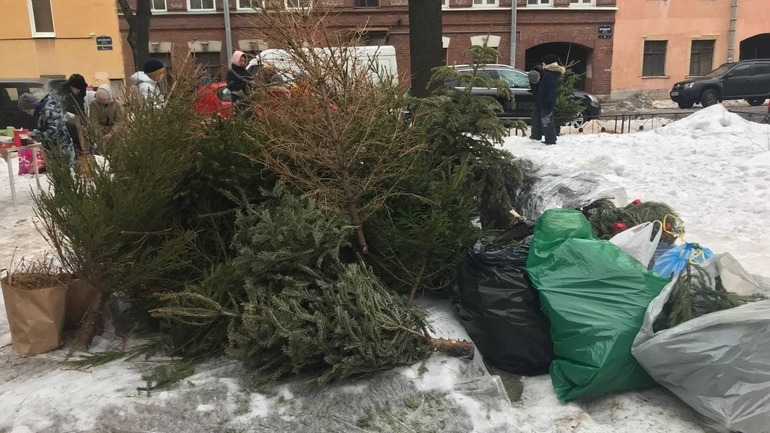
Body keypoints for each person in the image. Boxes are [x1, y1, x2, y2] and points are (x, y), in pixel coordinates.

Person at [17, 92, 76, 163]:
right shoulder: (41, 111)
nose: (27, 113)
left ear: (32, 106)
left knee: (63, 173)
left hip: (62, 151)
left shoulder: (49, 112)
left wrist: (33, 135)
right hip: (55, 150)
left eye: (27, 110)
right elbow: (45, 128)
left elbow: (54, 133)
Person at [534, 54, 565, 145]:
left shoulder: (550, 75)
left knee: (546, 120)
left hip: (546, 102)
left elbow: (551, 89)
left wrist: (548, 102)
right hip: (547, 101)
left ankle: (550, 139)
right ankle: (550, 138)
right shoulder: (552, 74)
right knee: (547, 119)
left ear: (548, 63)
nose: (542, 64)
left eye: (543, 63)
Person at [54, 73, 88, 154]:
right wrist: (72, 118)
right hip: (67, 128)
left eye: (80, 89)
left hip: (79, 127)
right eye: (77, 89)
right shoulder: (62, 94)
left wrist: (84, 123)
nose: (79, 91)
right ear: (71, 86)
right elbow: (60, 111)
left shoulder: (81, 94)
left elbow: (81, 110)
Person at [88, 84, 125, 148]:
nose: (103, 102)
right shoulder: (94, 104)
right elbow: (94, 120)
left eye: (105, 99)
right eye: (100, 99)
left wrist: (111, 133)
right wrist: (99, 134)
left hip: (115, 131)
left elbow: (120, 121)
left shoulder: (117, 104)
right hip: (100, 131)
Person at [527, 63, 545, 141]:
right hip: (538, 99)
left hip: (543, 99)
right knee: (535, 116)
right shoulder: (532, 76)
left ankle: (537, 135)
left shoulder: (544, 76)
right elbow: (534, 89)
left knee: (537, 116)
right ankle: (536, 135)